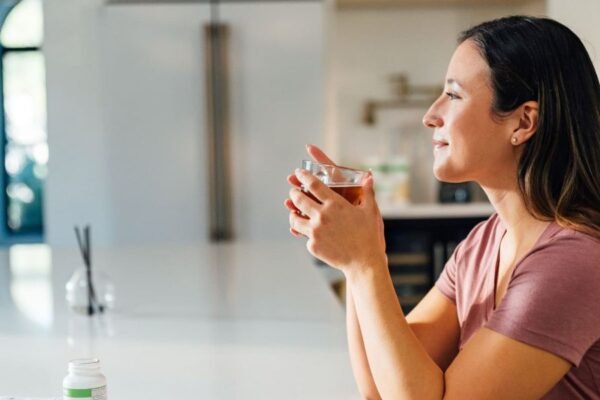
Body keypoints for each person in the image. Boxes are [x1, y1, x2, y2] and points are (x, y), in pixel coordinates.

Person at [284, 16, 600, 399]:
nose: (430, 115)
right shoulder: (485, 242)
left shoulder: (572, 261)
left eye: (453, 95)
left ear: (523, 122)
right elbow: (381, 388)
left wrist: (365, 264)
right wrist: (358, 258)